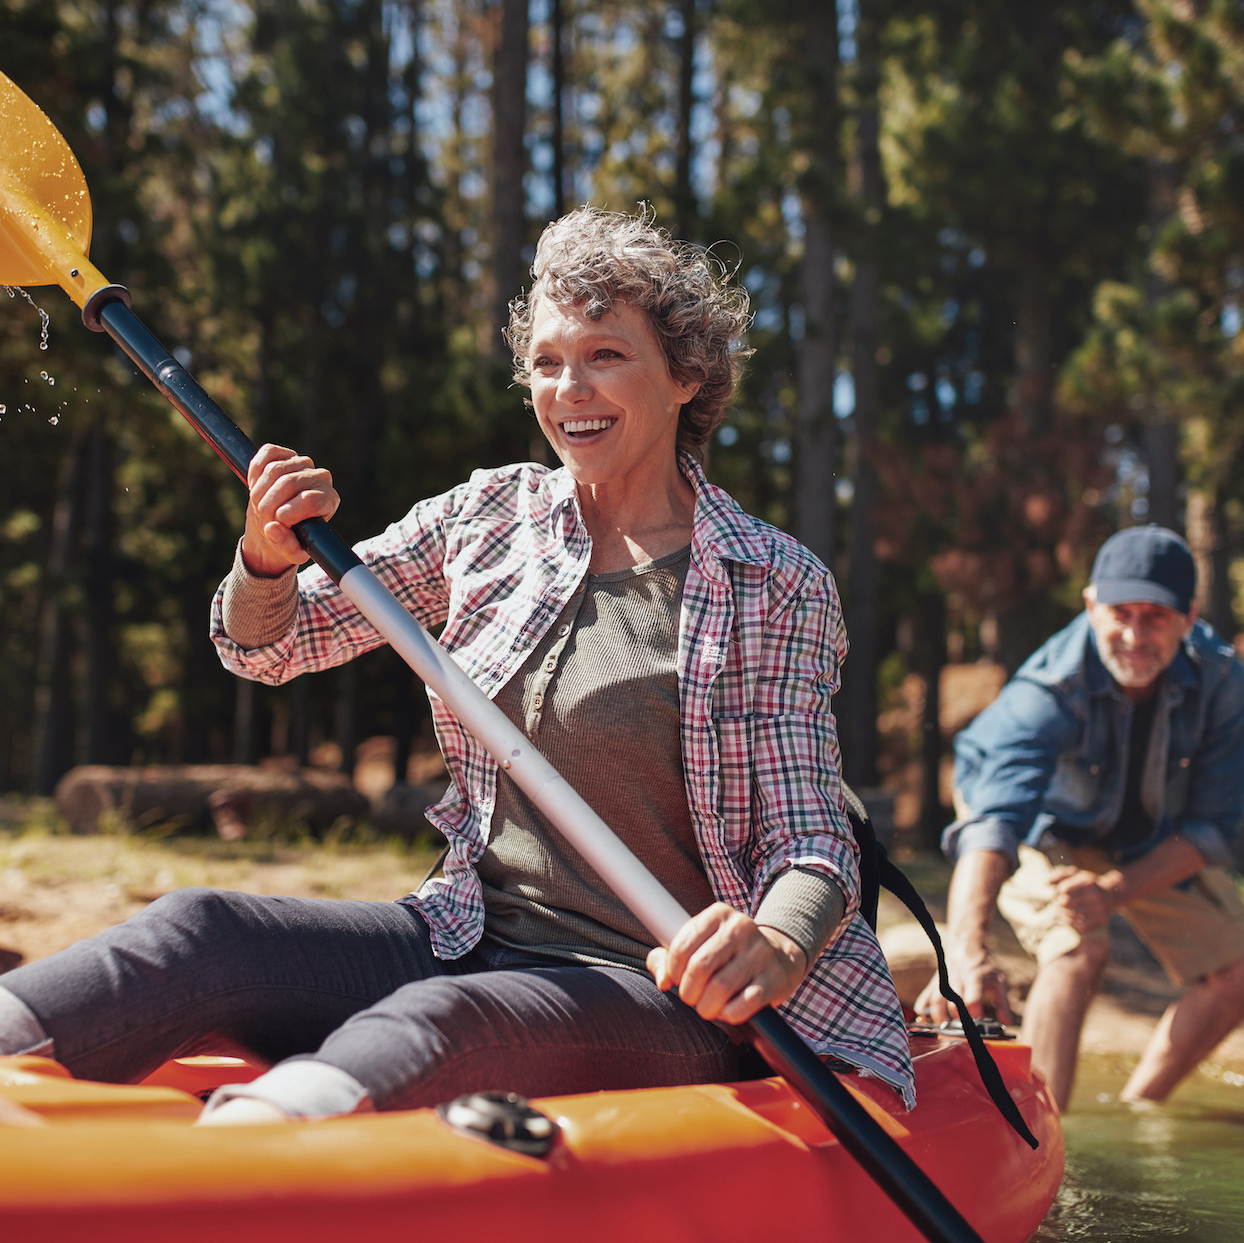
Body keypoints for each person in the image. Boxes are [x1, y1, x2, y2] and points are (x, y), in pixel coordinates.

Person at [0, 207, 913, 1123]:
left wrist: (779, 944)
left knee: (448, 1017)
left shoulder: (770, 579)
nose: (569, 389)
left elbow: (811, 841)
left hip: (666, 992)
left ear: (685, 376)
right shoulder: (491, 518)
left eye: (605, 354)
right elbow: (273, 645)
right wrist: (267, 560)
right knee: (201, 930)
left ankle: (244, 1158)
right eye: (548, 362)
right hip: (466, 933)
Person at [917, 525, 1244, 1111]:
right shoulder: (1050, 686)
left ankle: (1139, 1112)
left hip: (1136, 840)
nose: (1134, 635)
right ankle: (1039, 1133)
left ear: (1189, 618)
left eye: (1156, 618)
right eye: (1120, 613)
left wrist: (1115, 890)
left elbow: (1214, 828)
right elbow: (995, 823)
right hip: (1036, 825)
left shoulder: (1223, 681)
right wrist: (967, 950)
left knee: (1237, 969)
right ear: (1092, 606)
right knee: (1078, 951)